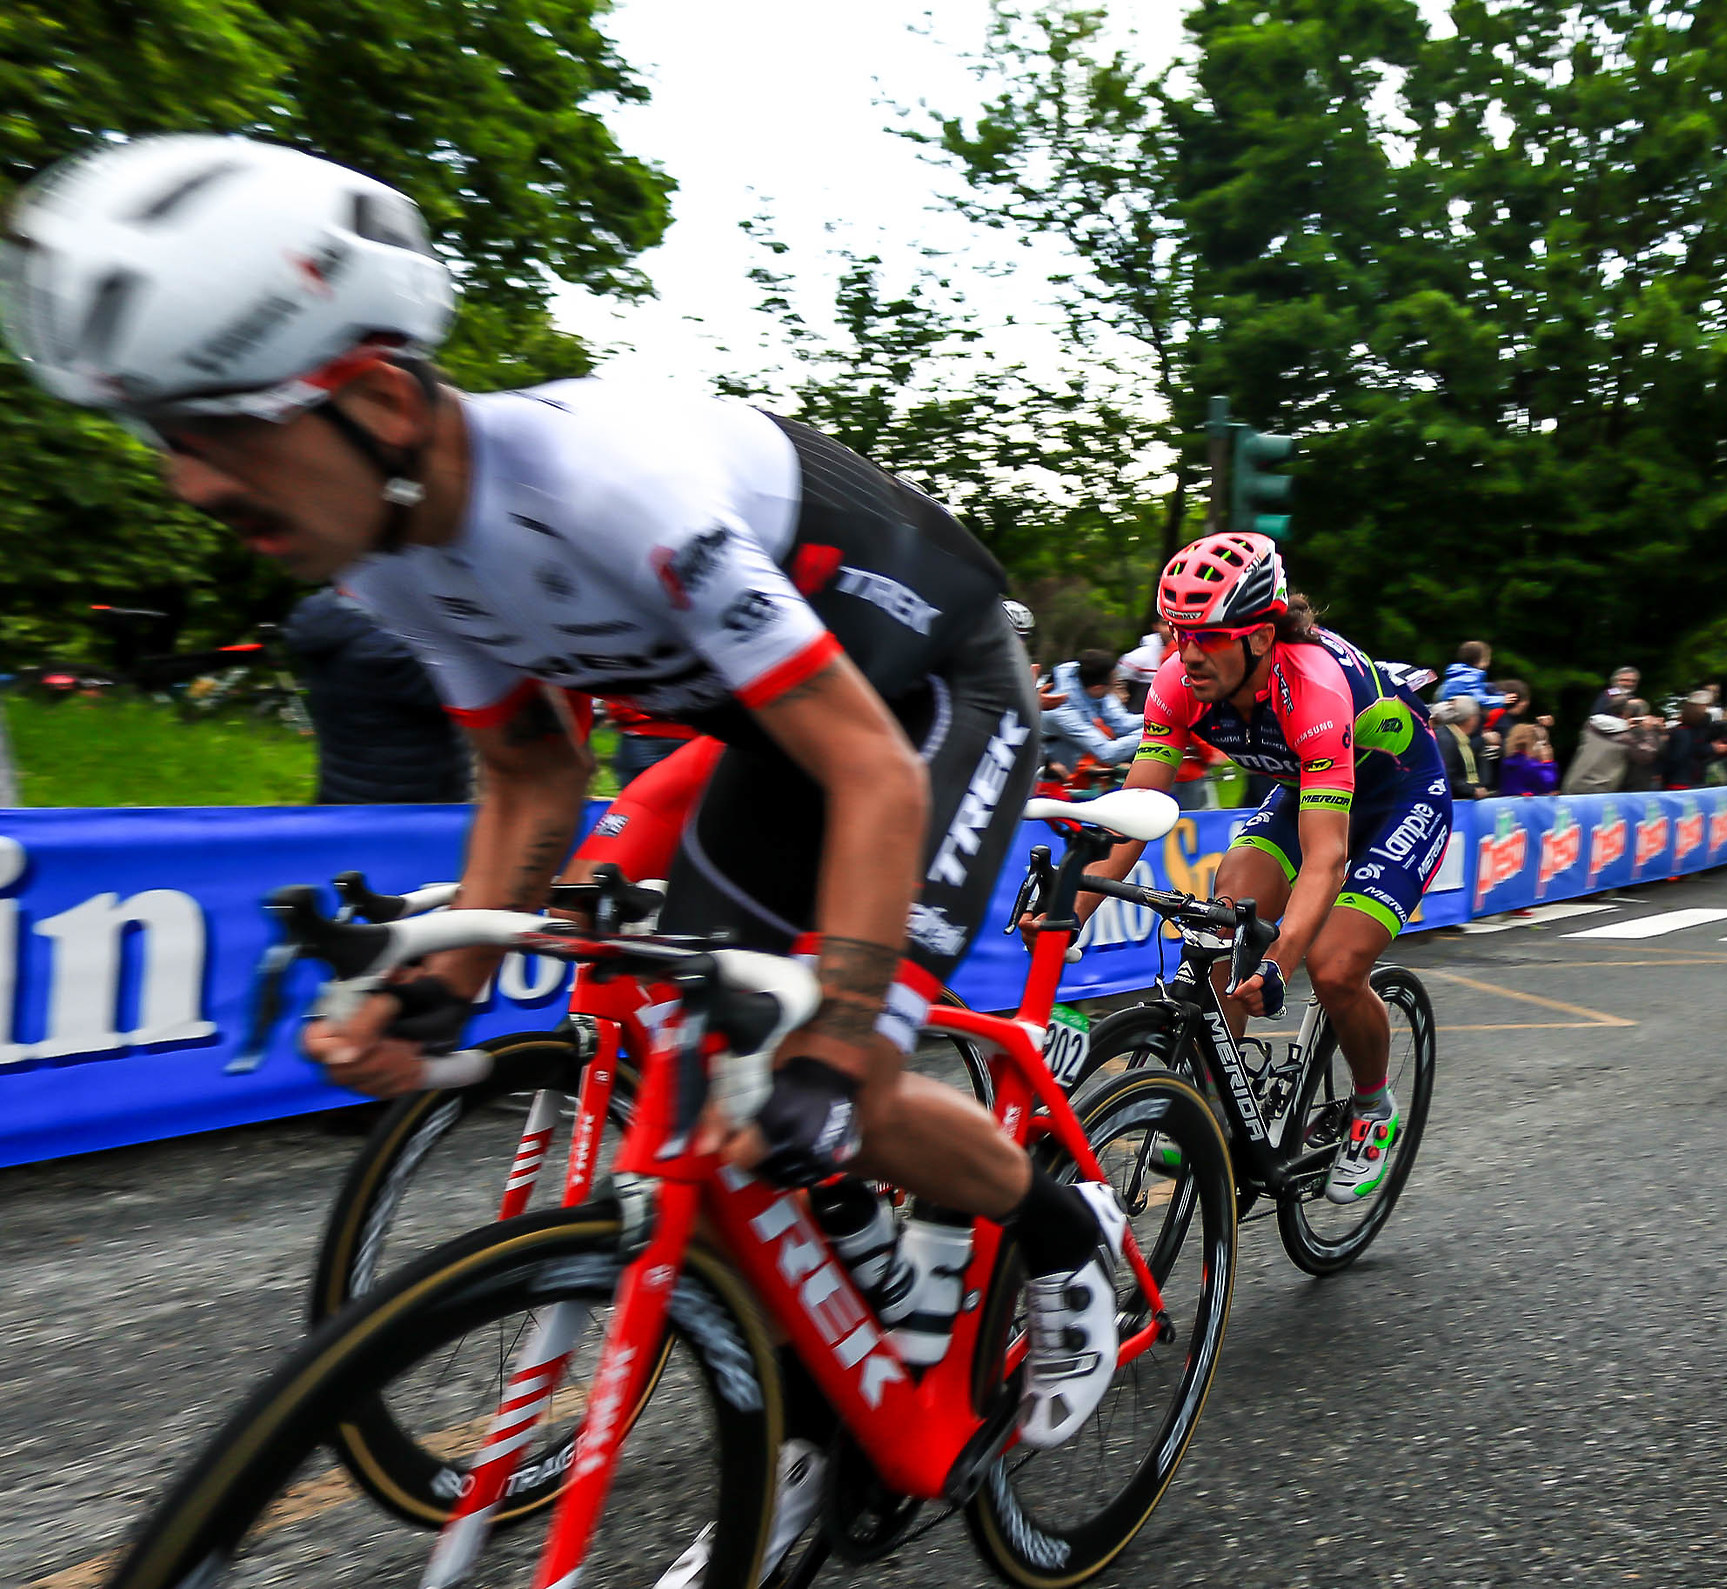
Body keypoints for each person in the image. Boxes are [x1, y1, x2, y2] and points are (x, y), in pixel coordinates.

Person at [0, 134, 1124, 1453]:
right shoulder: (394, 553)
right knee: (719, 1062)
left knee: (843, 1078)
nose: (187, 481)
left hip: (935, 706)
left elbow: (871, 764)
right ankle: (858, 1291)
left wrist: (840, 1030)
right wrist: (444, 984)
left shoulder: (607, 486)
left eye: (219, 429)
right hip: (787, 742)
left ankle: (1061, 1236)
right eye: (161, 438)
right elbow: (534, 767)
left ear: (374, 399)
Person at [1068, 532, 1452, 1204]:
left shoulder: (1312, 687)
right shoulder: (1176, 684)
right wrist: (1066, 915)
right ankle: (1216, 1103)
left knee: (1333, 966)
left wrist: (1281, 961)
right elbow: (1133, 812)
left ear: (1259, 636)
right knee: (1226, 915)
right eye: (1177, 632)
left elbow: (1327, 855)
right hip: (1308, 789)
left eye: (1209, 635)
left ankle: (1373, 1107)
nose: (1187, 654)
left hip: (1397, 795)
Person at [281, 586, 472, 803]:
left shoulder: (326, 615)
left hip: (345, 790)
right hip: (407, 802)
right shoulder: (383, 649)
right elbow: (465, 692)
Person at [1041, 647, 1142, 775]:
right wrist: (1156, 732)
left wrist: (1160, 718)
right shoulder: (1062, 711)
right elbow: (1107, 753)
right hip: (1041, 770)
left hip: (1071, 764)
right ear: (1098, 688)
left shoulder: (1085, 675)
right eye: (1112, 686)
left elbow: (1121, 723)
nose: (1114, 689)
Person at [1432, 696, 1490, 798]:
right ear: (1472, 719)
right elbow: (1447, 775)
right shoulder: (1446, 740)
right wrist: (1472, 791)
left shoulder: (1459, 738)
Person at [1563, 713, 1632, 795]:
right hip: (1599, 789)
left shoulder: (1591, 729)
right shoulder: (1627, 738)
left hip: (1574, 786)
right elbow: (1644, 756)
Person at [1440, 640, 1508, 717]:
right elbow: (1477, 700)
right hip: (1455, 717)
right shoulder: (1470, 678)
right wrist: (1502, 700)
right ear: (1480, 661)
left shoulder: (1459, 674)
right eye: (1487, 658)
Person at [1117, 616, 1170, 709]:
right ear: (1156, 627)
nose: (1170, 630)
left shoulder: (1193, 654)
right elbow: (1117, 685)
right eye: (1165, 624)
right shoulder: (1137, 657)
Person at [1496, 721, 1558, 795]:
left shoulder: (1506, 762)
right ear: (1532, 742)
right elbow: (1548, 785)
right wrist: (1547, 762)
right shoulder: (1533, 766)